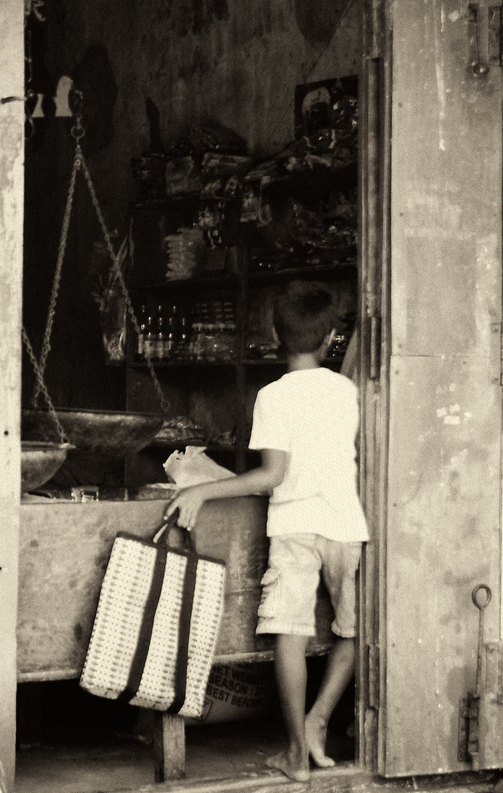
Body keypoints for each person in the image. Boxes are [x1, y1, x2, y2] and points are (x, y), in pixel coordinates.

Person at [165, 281, 368, 781]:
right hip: (345, 522)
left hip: (296, 526)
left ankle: (297, 748)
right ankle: (320, 719)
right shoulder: (347, 389)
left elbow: (272, 476)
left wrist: (201, 490)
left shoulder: (272, 396)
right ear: (328, 341)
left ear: (276, 335)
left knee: (290, 634)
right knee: (354, 630)